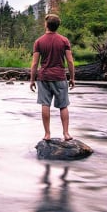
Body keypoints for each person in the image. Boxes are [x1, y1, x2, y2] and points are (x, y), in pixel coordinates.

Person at [30, 13, 75, 141]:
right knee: (63, 105)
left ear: (46, 25)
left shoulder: (39, 41)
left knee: (45, 104)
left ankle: (47, 134)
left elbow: (34, 63)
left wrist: (32, 80)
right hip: (60, 77)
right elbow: (70, 61)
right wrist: (72, 78)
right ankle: (66, 133)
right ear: (57, 26)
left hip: (43, 77)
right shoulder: (64, 40)